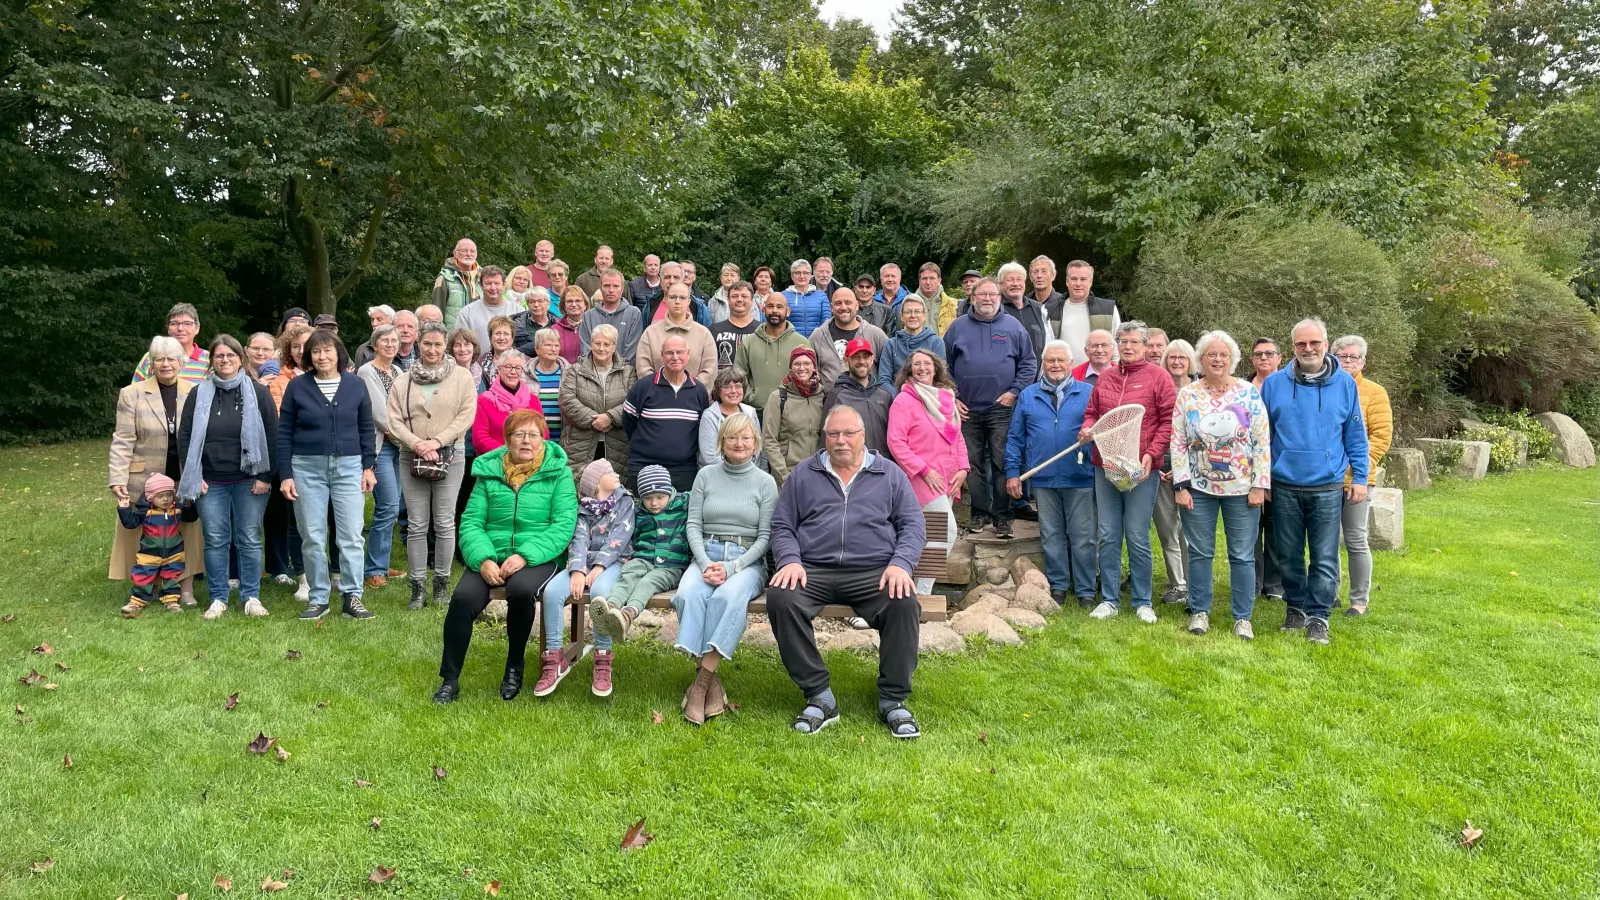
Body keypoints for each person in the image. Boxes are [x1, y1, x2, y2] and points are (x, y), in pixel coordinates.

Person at [768, 406, 927, 738]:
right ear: (824, 437)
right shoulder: (803, 475)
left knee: (903, 602)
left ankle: (893, 700)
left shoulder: (890, 474)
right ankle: (819, 696)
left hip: (874, 571)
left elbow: (913, 525)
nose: (841, 441)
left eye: (848, 434)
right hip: (813, 570)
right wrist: (790, 560)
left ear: (863, 435)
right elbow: (783, 525)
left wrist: (901, 564)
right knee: (782, 599)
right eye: (833, 434)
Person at [434, 408, 576, 704]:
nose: (526, 441)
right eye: (518, 435)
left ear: (542, 439)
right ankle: (450, 679)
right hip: (491, 553)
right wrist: (484, 559)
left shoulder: (558, 471)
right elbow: (471, 521)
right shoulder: (489, 471)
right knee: (462, 599)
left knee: (521, 590)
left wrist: (525, 555)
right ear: (507, 439)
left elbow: (563, 525)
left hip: (538, 555)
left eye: (533, 435)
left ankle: (514, 665)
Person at [1261, 319, 1369, 646]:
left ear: (1325, 343)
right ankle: (1295, 608)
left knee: (1324, 556)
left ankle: (1319, 616)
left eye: (1314, 343)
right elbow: (1262, 437)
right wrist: (1262, 478)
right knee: (1289, 554)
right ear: (1292, 347)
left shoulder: (1345, 385)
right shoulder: (1274, 384)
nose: (1308, 349)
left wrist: (1360, 477)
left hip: (1327, 486)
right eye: (1301, 344)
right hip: (1285, 485)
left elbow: (1355, 436)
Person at [673, 413, 778, 723]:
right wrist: (705, 563)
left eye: (746, 437)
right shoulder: (705, 476)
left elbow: (766, 537)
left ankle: (699, 686)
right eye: (732, 437)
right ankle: (711, 682)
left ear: (756, 443)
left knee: (725, 599)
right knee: (688, 594)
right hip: (707, 554)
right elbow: (693, 524)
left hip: (746, 560)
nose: (739, 443)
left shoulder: (765, 482)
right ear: (721, 442)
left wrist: (732, 568)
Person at [1171, 330, 1271, 639]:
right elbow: (1178, 442)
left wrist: (1259, 485)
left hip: (1242, 490)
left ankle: (1243, 617)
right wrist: (1181, 485)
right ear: (1200, 360)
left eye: (1223, 355)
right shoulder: (1187, 395)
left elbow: (1261, 440)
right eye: (1211, 354)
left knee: (1242, 554)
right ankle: (1199, 611)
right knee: (1200, 552)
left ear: (1232, 359)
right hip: (1198, 489)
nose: (1217, 359)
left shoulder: (1247, 393)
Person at [276, 329, 377, 620]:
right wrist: (286, 474)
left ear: (338, 353)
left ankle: (351, 596)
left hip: (349, 467)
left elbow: (365, 428)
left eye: (327, 350)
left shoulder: (355, 385)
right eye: (316, 352)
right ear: (309, 356)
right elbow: (284, 433)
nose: (322, 356)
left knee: (351, 535)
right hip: (306, 468)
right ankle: (319, 597)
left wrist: (367, 466)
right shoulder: (298, 387)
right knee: (313, 536)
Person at [177, 335, 278, 619]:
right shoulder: (199, 394)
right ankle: (218, 597)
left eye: (230, 355)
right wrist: (193, 475)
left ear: (240, 358)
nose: (225, 360)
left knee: (248, 537)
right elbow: (185, 436)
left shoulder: (258, 392)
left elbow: (272, 433)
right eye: (219, 356)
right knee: (216, 539)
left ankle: (251, 596)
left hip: (250, 479)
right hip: (211, 481)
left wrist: (266, 476)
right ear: (212, 361)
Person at [1083, 321, 1175, 623]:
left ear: (1146, 345)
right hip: (1105, 465)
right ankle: (1109, 599)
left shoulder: (1159, 378)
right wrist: (1087, 428)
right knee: (1108, 534)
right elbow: (1093, 413)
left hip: (1140, 469)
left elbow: (1167, 422)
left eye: (1134, 342)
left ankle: (1142, 601)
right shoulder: (1106, 377)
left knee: (1136, 535)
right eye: (1122, 341)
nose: (1128, 347)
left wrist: (1152, 454)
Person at [389, 320, 479, 610]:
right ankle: (417, 588)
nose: (432, 349)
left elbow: (466, 415)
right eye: (427, 343)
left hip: (450, 455)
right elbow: (393, 420)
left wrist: (437, 441)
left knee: (444, 521)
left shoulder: (462, 377)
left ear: (446, 346)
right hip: (411, 456)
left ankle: (441, 585)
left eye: (438, 344)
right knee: (416, 524)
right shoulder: (403, 380)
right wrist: (417, 444)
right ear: (418, 344)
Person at [109, 336, 205, 606]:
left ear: (181, 362)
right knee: (144, 532)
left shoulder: (195, 392)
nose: (165, 364)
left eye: (171, 359)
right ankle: (146, 587)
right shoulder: (132, 393)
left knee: (188, 529)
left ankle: (184, 590)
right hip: (144, 476)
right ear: (151, 364)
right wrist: (117, 477)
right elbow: (123, 439)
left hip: (182, 475)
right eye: (159, 359)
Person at [579, 464, 690, 692]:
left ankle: (628, 615)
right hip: (643, 558)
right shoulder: (639, 511)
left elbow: (701, 493)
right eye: (648, 498)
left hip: (670, 566)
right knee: (629, 574)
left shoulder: (682, 504)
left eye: (660, 497)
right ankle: (611, 608)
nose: (654, 503)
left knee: (647, 583)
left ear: (670, 492)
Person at [1004, 341, 1095, 608]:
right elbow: (1015, 438)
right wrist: (1012, 472)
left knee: (1083, 537)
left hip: (1079, 477)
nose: (1056, 365)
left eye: (1061, 361)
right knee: (1051, 535)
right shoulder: (1029, 395)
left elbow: (1100, 430)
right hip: (1042, 479)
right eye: (1050, 361)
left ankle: (1086, 590)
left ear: (1070, 363)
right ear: (1043, 364)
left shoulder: (1088, 392)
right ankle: (1058, 586)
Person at [945, 278, 1036, 539]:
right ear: (972, 298)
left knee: (1002, 462)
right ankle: (980, 512)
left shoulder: (1013, 327)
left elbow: (1029, 363)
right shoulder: (957, 327)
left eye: (992, 294)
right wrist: (953, 395)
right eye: (981, 294)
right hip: (966, 409)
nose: (987, 299)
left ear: (1000, 297)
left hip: (1001, 408)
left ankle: (1003, 517)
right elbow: (945, 366)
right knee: (971, 463)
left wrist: (1015, 391)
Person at [542, 459, 635, 698]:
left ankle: (603, 659)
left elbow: (619, 538)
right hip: (584, 565)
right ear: (595, 484)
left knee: (599, 593)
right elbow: (579, 539)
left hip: (614, 563)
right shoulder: (582, 509)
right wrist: (577, 570)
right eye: (609, 472)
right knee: (552, 592)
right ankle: (554, 658)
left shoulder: (624, 502)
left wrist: (599, 567)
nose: (616, 474)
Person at [886, 349, 968, 594]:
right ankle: (921, 593)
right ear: (909, 371)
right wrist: (923, 470)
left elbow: (958, 437)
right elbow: (895, 442)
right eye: (916, 364)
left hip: (948, 477)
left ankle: (909, 589)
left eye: (927, 363)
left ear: (936, 368)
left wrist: (963, 469)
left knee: (930, 537)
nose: (922, 368)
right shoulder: (904, 400)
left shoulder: (946, 398)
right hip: (922, 479)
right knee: (946, 532)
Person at [1331, 334, 1391, 617]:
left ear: (1363, 361)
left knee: (1355, 539)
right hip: (1325, 479)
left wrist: (1358, 472)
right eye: (1341, 356)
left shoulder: (1374, 392)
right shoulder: (1326, 387)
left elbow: (1380, 437)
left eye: (1353, 357)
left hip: (1357, 480)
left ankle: (1359, 601)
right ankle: (1328, 593)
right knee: (1325, 541)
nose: (1347, 362)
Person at [620, 334, 710, 493]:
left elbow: (701, 429)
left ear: (688, 355)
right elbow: (629, 422)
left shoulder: (699, 390)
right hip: (644, 467)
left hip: (684, 471)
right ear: (662, 356)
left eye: (680, 352)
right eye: (669, 353)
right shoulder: (642, 387)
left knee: (681, 517)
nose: (675, 357)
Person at [264, 325, 311, 598]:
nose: (301, 351)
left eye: (307, 345)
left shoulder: (337, 377)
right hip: (295, 457)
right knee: (298, 521)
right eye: (295, 346)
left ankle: (334, 572)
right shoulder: (280, 381)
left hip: (329, 458)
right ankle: (303, 577)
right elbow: (284, 419)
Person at [357, 324, 404, 589]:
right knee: (386, 506)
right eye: (384, 340)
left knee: (393, 506)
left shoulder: (397, 370)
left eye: (394, 341)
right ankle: (373, 569)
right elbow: (379, 414)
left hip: (399, 445)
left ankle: (382, 565)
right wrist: (406, 438)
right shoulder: (367, 371)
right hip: (381, 446)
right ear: (374, 344)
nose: (390, 344)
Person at [1153, 338, 1198, 606]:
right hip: (1160, 466)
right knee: (1167, 528)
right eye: (1172, 357)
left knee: (1190, 530)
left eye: (1182, 357)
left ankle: (1195, 584)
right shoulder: (1157, 386)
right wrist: (1156, 461)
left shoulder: (1199, 390)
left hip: (1193, 469)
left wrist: (1186, 467)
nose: (1177, 362)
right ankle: (1177, 584)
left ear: (1190, 361)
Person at [115, 472, 197, 617]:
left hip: (174, 553)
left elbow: (191, 518)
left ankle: (172, 602)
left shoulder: (177, 509)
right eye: (160, 496)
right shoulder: (146, 512)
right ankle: (136, 602)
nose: (165, 499)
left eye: (169, 495)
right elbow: (130, 523)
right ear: (151, 497)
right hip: (149, 554)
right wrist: (124, 508)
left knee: (171, 578)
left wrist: (190, 504)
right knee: (143, 576)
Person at [560, 323, 635, 477]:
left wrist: (610, 418)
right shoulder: (576, 370)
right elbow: (567, 399)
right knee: (580, 489)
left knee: (614, 491)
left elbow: (633, 402)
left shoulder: (628, 371)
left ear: (614, 346)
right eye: (597, 343)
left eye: (606, 344)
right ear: (591, 344)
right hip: (580, 442)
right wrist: (596, 421)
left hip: (618, 443)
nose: (601, 348)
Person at [1249, 337, 1284, 602]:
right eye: (1259, 354)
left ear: (1279, 358)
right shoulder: (1241, 388)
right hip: (1245, 468)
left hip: (1279, 467)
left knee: (1274, 527)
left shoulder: (1287, 386)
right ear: (1252, 359)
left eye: (1269, 353)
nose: (1264, 358)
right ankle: (1252, 581)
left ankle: (1274, 584)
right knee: (1250, 528)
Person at [734, 291, 810, 411]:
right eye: (770, 306)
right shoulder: (748, 343)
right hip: (756, 411)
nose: (774, 310)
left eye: (779, 307)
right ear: (763, 309)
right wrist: (752, 398)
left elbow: (811, 377)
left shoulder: (802, 343)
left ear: (788, 311)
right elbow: (738, 375)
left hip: (792, 412)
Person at [763, 347, 825, 486]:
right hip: (789, 475)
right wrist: (784, 477)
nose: (802, 368)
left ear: (814, 367)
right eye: (797, 364)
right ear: (791, 367)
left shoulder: (824, 396)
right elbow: (769, 440)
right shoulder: (778, 398)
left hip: (820, 475)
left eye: (807, 363)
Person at [636, 283, 718, 388]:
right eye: (673, 297)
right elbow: (643, 369)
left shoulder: (703, 333)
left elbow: (709, 371)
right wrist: (659, 392)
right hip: (658, 399)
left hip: (693, 400)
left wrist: (691, 392)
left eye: (682, 297)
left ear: (688, 301)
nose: (677, 301)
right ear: (666, 300)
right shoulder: (650, 333)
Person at [822, 337, 893, 457]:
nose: (861, 361)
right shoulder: (837, 395)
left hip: (883, 467)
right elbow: (826, 439)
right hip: (849, 467)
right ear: (846, 360)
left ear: (872, 359)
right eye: (856, 357)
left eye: (866, 356)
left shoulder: (884, 394)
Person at [811, 287, 889, 386]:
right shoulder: (818, 336)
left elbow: (888, 371)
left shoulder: (876, 335)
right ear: (831, 308)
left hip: (867, 399)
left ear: (856, 305)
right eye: (838, 303)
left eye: (848, 302)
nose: (843, 307)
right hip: (829, 400)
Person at [1053, 260, 1121, 367]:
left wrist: (1116, 370)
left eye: (1083, 279)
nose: (1078, 283)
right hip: (1064, 374)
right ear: (1067, 281)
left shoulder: (1108, 308)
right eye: (1074, 279)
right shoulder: (1052, 310)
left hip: (1099, 373)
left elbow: (1117, 343)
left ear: (1090, 282)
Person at [473, 349, 536, 455]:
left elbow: (542, 434)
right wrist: (510, 454)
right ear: (499, 369)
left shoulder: (533, 400)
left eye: (518, 368)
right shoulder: (484, 400)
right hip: (494, 463)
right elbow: (480, 438)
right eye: (508, 367)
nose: (513, 371)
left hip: (527, 463)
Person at [877, 294, 945, 389]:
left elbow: (940, 378)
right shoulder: (891, 344)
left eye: (917, 312)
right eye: (908, 312)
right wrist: (900, 399)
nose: (913, 316)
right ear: (901, 316)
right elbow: (884, 379)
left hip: (928, 398)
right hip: (898, 399)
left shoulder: (936, 342)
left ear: (924, 315)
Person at [132, 303, 209, 384]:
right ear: (168, 329)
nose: (180, 328)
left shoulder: (209, 360)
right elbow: (135, 393)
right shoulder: (152, 357)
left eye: (187, 323)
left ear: (197, 328)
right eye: (174, 324)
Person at [579, 268, 645, 362]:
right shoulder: (588, 316)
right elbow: (585, 350)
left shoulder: (634, 314)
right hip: (593, 373)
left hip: (624, 373)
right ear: (601, 288)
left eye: (615, 286)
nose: (611, 290)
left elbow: (632, 350)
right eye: (606, 286)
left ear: (622, 289)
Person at [456, 266, 525, 354]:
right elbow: (460, 344)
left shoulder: (519, 311)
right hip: (476, 365)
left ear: (504, 284)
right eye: (488, 283)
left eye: (497, 283)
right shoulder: (467, 313)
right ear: (481, 285)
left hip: (511, 365)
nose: (493, 288)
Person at [699, 368, 758, 467]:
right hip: (718, 475)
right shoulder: (709, 416)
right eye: (727, 387)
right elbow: (709, 457)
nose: (733, 391)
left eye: (738, 386)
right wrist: (737, 470)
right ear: (718, 391)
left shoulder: (751, 412)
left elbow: (758, 449)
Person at [995, 261, 1053, 364]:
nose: (1015, 284)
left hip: (1037, 375)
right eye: (1010, 280)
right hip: (1007, 375)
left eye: (1019, 279)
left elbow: (1049, 342)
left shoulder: (1039, 309)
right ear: (1001, 284)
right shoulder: (995, 310)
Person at [526, 329, 567, 444]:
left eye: (556, 345)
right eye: (548, 345)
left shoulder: (569, 373)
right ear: (537, 349)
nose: (553, 349)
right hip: (533, 440)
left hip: (563, 440)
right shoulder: (525, 375)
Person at [709, 280, 759, 371]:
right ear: (728, 300)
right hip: (722, 383)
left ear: (752, 301)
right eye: (734, 296)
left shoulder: (762, 330)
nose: (739, 299)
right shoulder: (714, 330)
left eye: (744, 296)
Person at [433, 238, 482, 330]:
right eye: (464, 250)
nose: (469, 254)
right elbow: (437, 311)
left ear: (476, 254)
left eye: (472, 251)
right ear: (455, 253)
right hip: (454, 337)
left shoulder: (483, 277)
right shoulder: (444, 278)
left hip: (479, 335)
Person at [905, 262, 957, 338]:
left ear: (939, 280)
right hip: (917, 349)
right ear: (919, 281)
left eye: (932, 278)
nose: (928, 282)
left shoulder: (954, 305)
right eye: (924, 278)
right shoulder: (907, 305)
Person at [782, 259, 830, 337]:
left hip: (816, 341)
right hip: (791, 342)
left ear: (810, 276)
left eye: (805, 273)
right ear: (792, 276)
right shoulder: (783, 296)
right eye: (797, 273)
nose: (802, 276)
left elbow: (826, 320)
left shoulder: (821, 296)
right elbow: (781, 321)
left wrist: (816, 337)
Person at [478, 316, 518, 389]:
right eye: (497, 333)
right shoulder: (480, 362)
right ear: (490, 337)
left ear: (512, 338)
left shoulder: (523, 361)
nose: (501, 338)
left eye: (506, 334)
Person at [1028, 256, 1066, 324]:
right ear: (1030, 277)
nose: (1039, 275)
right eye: (1035, 272)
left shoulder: (1063, 304)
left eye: (1044, 271)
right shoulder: (1025, 303)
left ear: (1053, 276)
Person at [554, 287, 587, 363]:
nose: (574, 304)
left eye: (578, 300)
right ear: (564, 306)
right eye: (569, 301)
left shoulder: (592, 327)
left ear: (585, 304)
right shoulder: (554, 330)